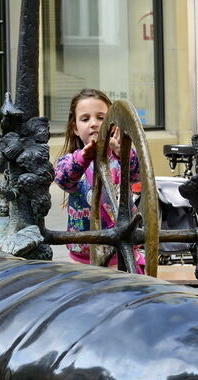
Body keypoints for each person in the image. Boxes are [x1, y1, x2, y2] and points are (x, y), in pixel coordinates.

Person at [54, 88, 143, 272]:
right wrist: (83, 158)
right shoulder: (71, 160)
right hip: (84, 258)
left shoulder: (121, 157)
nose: (94, 124)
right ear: (75, 128)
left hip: (124, 254)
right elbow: (64, 179)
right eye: (85, 119)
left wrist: (124, 155)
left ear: (113, 124)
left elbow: (139, 175)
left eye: (101, 117)